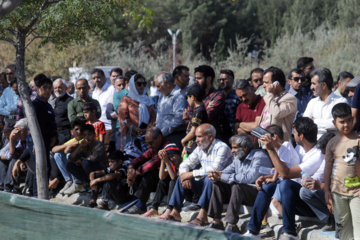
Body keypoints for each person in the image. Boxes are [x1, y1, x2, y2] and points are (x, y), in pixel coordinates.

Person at [246, 117, 323, 239]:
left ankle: (290, 232)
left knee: (286, 184)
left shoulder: (317, 156)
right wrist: (266, 177)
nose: (293, 135)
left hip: (310, 204)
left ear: (301, 136)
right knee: (267, 185)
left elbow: (287, 174)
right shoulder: (300, 148)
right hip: (293, 196)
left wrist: (270, 148)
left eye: (295, 132)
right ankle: (253, 231)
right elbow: (285, 170)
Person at [166, 124, 233, 225]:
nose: (196, 140)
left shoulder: (222, 148)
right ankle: (175, 212)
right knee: (182, 178)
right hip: (207, 189)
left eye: (199, 136)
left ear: (210, 137)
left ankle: (203, 215)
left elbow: (214, 169)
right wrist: (185, 176)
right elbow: (184, 164)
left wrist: (191, 174)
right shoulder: (200, 148)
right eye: (196, 136)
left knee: (211, 177)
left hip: (223, 190)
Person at [207, 134, 273, 233]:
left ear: (245, 148)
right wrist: (216, 175)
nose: (232, 150)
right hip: (240, 194)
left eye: (235, 148)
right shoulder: (237, 158)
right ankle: (216, 222)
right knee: (218, 183)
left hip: (258, 194)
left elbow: (249, 178)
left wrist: (222, 176)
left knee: (237, 185)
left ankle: (231, 224)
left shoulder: (259, 156)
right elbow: (224, 173)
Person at [324, 103, 360, 240]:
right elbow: (327, 168)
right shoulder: (332, 143)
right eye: (342, 122)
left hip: (357, 192)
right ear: (334, 123)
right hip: (337, 192)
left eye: (349, 120)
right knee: (343, 228)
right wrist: (327, 190)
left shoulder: (357, 140)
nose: (346, 124)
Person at [124, 127, 171, 214]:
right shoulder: (154, 147)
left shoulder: (167, 146)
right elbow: (141, 158)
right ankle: (136, 200)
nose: (149, 146)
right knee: (136, 168)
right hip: (158, 180)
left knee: (148, 173)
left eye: (151, 143)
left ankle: (140, 205)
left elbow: (154, 162)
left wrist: (136, 173)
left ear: (159, 138)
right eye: (147, 143)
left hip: (168, 181)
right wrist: (131, 169)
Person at [299, 132, 336, 232]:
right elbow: (318, 176)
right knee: (304, 191)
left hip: (346, 195)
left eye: (326, 153)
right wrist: (308, 181)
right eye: (323, 153)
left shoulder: (346, 160)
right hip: (331, 193)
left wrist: (322, 186)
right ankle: (331, 219)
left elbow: (344, 185)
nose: (324, 156)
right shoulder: (326, 160)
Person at [303, 68, 347, 139]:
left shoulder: (341, 102)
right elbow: (304, 124)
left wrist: (315, 121)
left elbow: (339, 124)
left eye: (313, 84)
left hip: (334, 146)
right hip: (314, 146)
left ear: (323, 85)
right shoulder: (312, 102)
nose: (311, 87)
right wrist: (328, 127)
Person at [193, 65, 231, 143]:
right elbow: (188, 116)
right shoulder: (195, 96)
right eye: (195, 79)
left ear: (209, 79)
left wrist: (198, 110)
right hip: (196, 138)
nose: (196, 81)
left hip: (213, 139)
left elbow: (207, 116)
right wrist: (206, 107)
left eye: (199, 78)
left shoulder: (218, 95)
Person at [259, 66, 297, 142]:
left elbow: (277, 113)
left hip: (279, 146)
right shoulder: (271, 97)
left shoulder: (289, 98)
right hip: (264, 144)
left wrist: (269, 94)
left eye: (266, 82)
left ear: (276, 83)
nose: (263, 85)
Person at [143, 143, 182, 217]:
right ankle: (154, 208)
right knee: (162, 182)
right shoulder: (171, 164)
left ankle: (169, 209)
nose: (172, 159)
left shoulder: (183, 162)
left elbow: (174, 178)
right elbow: (161, 177)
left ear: (178, 154)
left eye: (173, 156)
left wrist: (167, 162)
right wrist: (162, 160)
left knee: (172, 182)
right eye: (169, 157)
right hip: (176, 190)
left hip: (186, 191)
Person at [65, 124, 106, 194]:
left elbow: (93, 158)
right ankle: (87, 184)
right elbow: (70, 159)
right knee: (69, 165)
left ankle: (97, 185)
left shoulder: (99, 145)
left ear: (94, 135)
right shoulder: (84, 146)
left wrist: (80, 160)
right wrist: (80, 146)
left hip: (100, 172)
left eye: (89, 135)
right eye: (84, 135)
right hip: (89, 171)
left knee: (85, 162)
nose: (87, 137)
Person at [118, 74, 155, 150]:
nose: (142, 86)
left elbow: (153, 118)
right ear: (133, 85)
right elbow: (123, 119)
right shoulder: (126, 100)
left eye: (144, 84)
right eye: (139, 84)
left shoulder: (148, 100)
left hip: (146, 136)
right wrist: (135, 129)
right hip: (131, 136)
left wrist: (146, 130)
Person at [52, 118, 85, 195]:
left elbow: (70, 149)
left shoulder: (84, 139)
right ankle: (69, 181)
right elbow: (54, 149)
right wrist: (68, 145)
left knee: (69, 155)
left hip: (83, 167)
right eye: (76, 129)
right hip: (76, 165)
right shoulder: (72, 141)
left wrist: (68, 147)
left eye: (81, 129)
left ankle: (78, 183)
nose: (79, 132)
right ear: (71, 132)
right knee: (57, 155)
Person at [155, 71, 187, 149]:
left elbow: (179, 118)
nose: (158, 89)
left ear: (166, 83)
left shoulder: (179, 96)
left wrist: (163, 132)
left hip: (173, 137)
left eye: (158, 86)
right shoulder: (162, 96)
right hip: (161, 137)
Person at [91, 68, 116, 151]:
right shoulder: (94, 93)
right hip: (96, 129)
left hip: (108, 128)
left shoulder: (112, 89)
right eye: (94, 78)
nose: (96, 80)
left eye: (98, 77)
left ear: (104, 77)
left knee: (107, 153)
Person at [181, 83, 208, 156]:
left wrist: (183, 140)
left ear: (192, 97)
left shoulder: (199, 111)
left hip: (195, 147)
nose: (187, 100)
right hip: (191, 145)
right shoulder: (197, 110)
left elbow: (193, 132)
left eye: (187, 97)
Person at [113, 70, 137, 150]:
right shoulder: (118, 95)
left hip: (139, 129)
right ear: (127, 82)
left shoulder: (141, 94)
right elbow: (118, 111)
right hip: (123, 128)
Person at [106, 76, 126, 153]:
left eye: (123, 84)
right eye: (119, 85)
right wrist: (119, 116)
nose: (122, 87)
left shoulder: (132, 98)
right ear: (114, 87)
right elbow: (108, 114)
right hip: (116, 135)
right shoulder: (112, 99)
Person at [218, 69, 241, 133]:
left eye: (224, 79)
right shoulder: (217, 96)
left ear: (232, 80)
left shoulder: (237, 97)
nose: (222, 82)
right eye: (220, 80)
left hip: (232, 132)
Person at [53, 78, 74, 144]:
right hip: (56, 133)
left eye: (60, 87)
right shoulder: (55, 101)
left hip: (66, 134)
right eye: (55, 88)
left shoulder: (70, 101)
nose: (57, 90)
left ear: (65, 88)